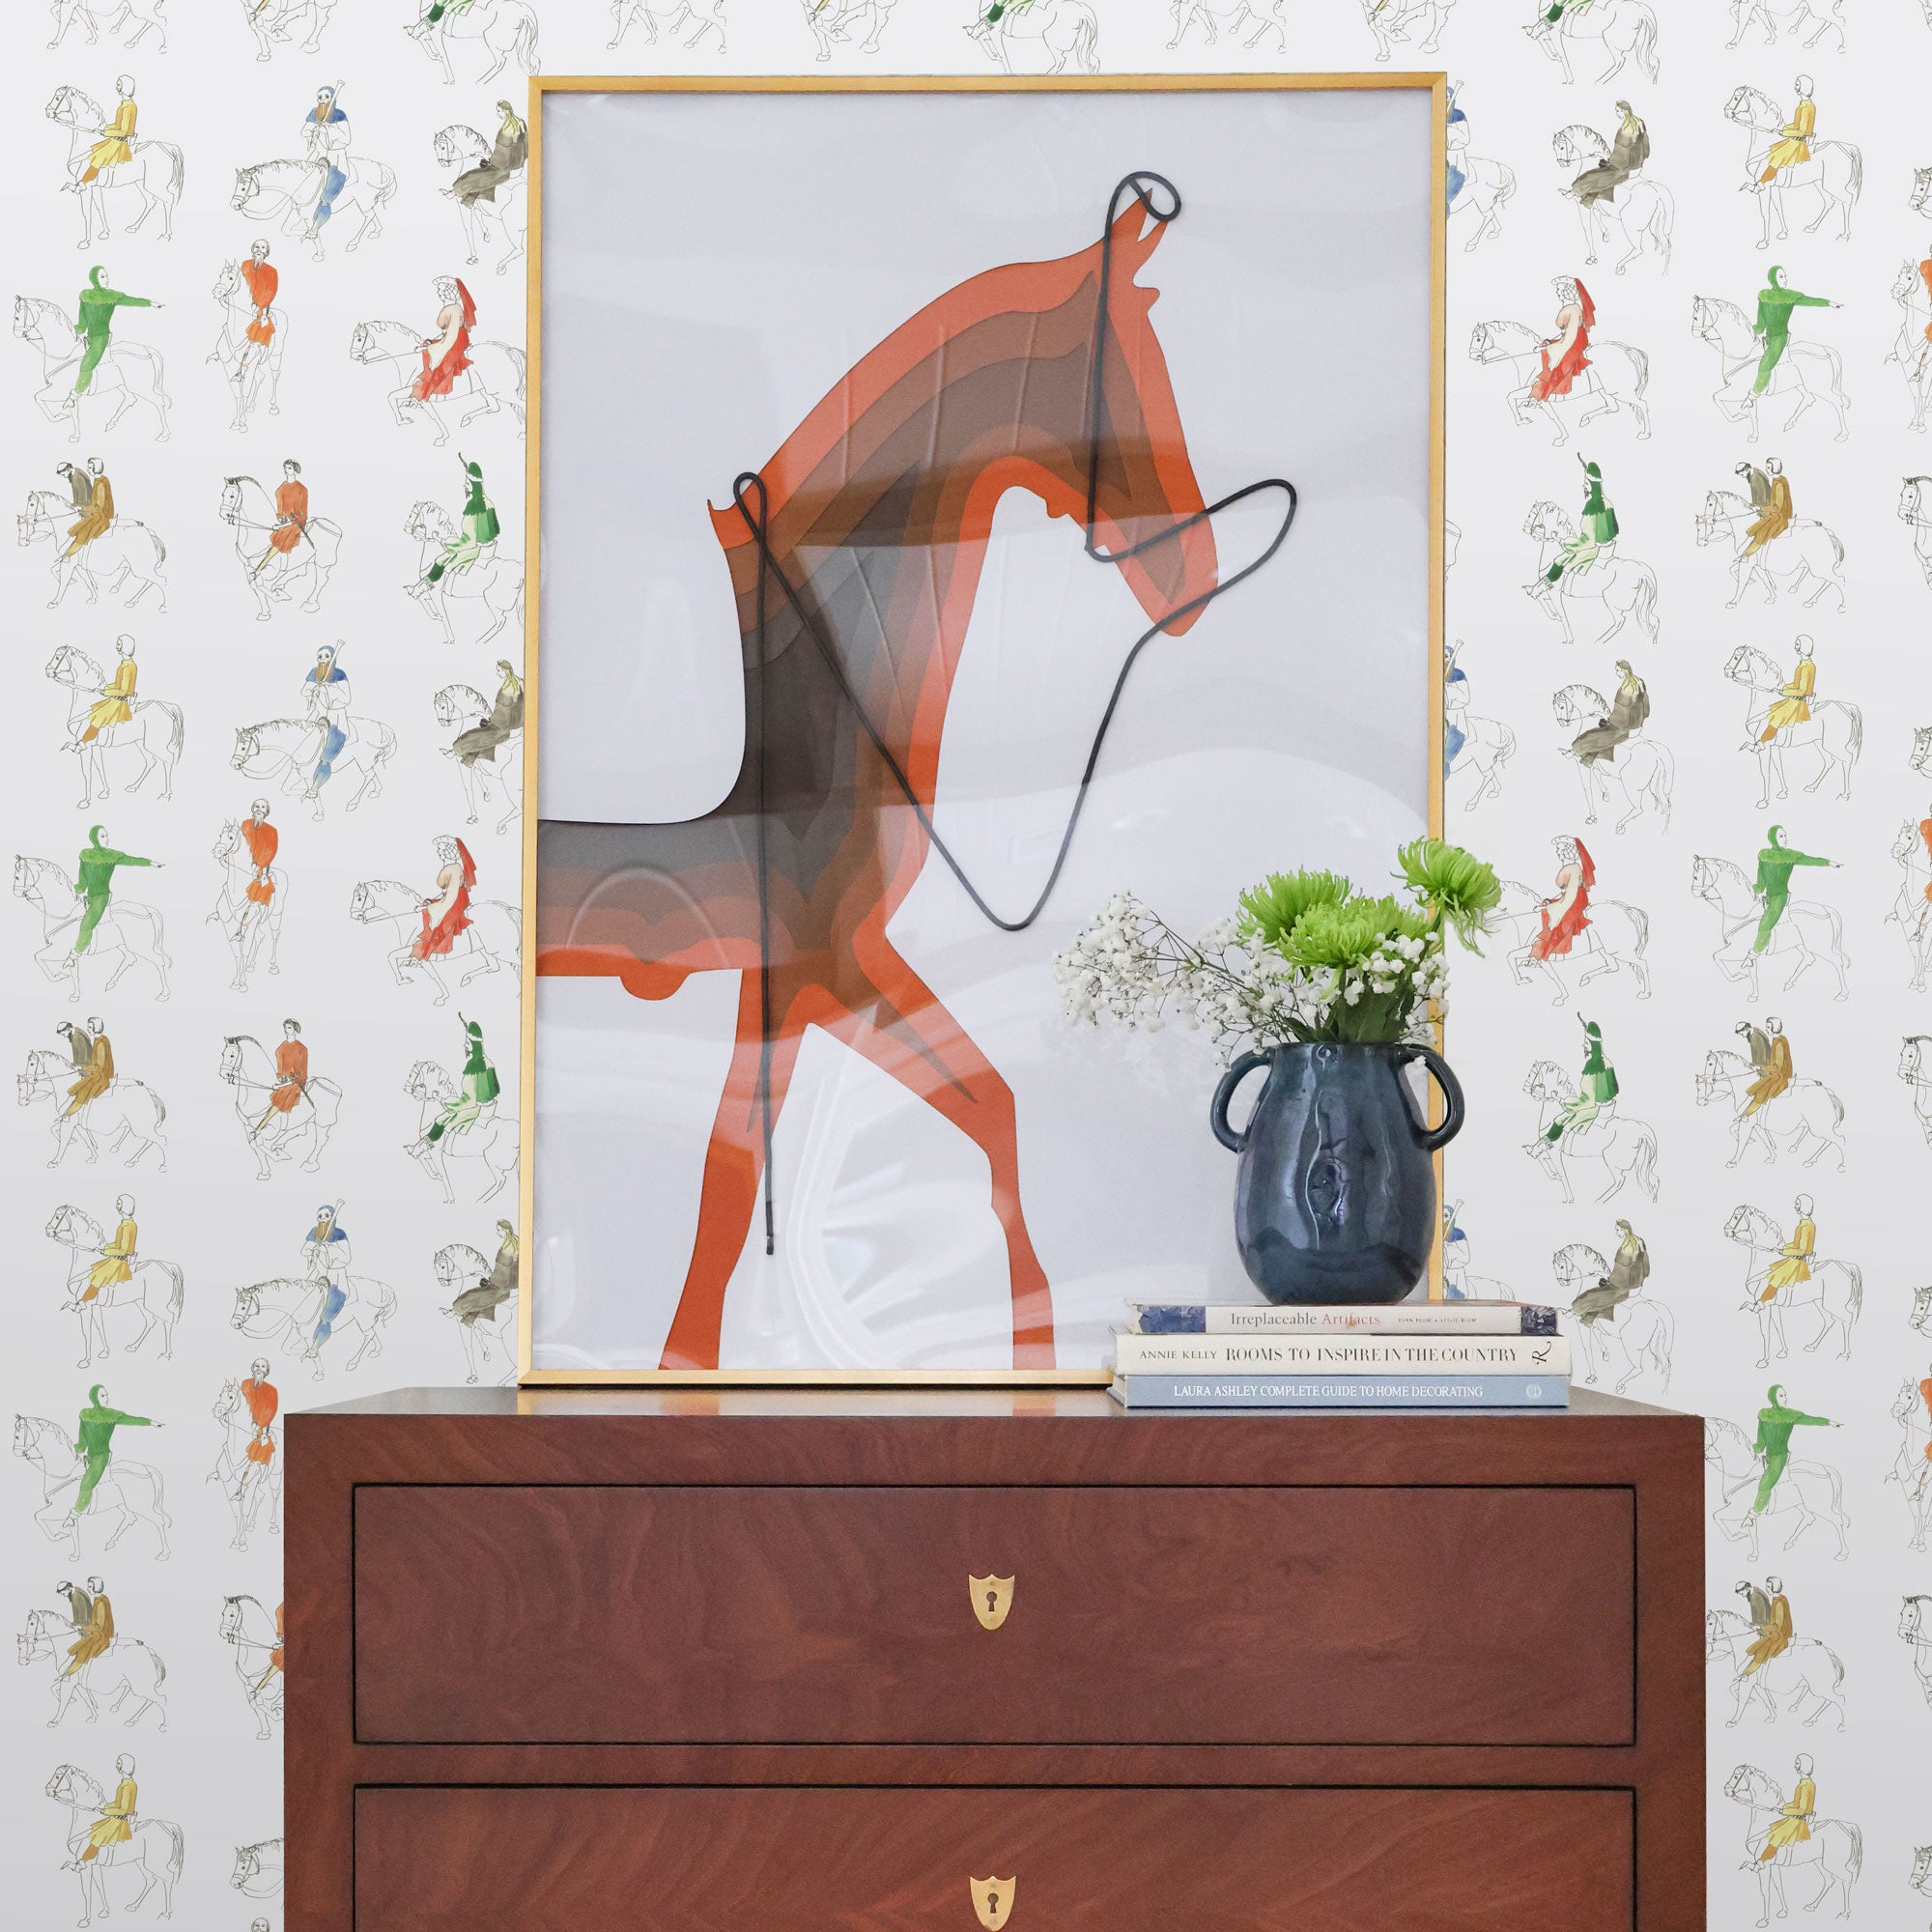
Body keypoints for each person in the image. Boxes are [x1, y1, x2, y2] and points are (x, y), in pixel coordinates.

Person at [414, 1014, 497, 1154]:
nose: (464, 1045)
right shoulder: (489, 1062)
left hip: (474, 1109)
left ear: (474, 1044)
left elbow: (468, 1101)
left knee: (442, 1119)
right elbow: (496, 1088)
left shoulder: (474, 1066)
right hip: (489, 1107)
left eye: (467, 1042)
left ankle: (421, 1149)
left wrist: (443, 1100)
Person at [72, 266, 158, 399]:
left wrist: (150, 303)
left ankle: (74, 395)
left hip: (102, 337)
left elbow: (132, 301)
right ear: (94, 279)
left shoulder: (112, 296)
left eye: (106, 276)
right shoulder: (85, 296)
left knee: (86, 364)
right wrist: (71, 329)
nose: (107, 279)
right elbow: (82, 325)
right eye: (103, 277)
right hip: (89, 338)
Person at [71, 1384, 155, 1520]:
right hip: (90, 1457)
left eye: (107, 1395)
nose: (107, 1399)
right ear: (94, 1398)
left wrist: (150, 1422)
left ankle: (74, 1515)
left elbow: (133, 1420)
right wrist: (71, 1448)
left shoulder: (112, 1415)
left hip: (102, 1456)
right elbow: (82, 1444)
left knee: (86, 1484)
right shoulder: (86, 1415)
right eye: (102, 1396)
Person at [1535, 1014, 1619, 1148]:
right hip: (1609, 1108)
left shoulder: (1592, 1066)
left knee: (1561, 1119)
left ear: (1592, 1045)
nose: (1583, 1045)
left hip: (1594, 1109)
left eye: (1586, 1043)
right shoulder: (1608, 1062)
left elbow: (1587, 1101)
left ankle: (1542, 1148)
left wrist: (1562, 1101)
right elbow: (1615, 1088)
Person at [73, 824, 157, 957]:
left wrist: (150, 862)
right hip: (89, 897)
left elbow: (132, 860)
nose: (107, 839)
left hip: (102, 897)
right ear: (94, 838)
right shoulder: (85, 855)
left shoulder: (112, 855)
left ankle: (74, 955)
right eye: (103, 836)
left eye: (107, 836)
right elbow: (82, 882)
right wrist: (77, 890)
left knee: (86, 924)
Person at [417, 454, 498, 588]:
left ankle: (424, 589)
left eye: (467, 483)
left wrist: (444, 541)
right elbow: (496, 529)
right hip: (489, 548)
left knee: (442, 560)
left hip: (474, 549)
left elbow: (468, 541)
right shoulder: (489, 503)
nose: (464, 485)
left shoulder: (474, 508)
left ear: (473, 485)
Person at [1752, 1384, 1835, 1513]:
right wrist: (1751, 1448)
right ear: (1773, 1398)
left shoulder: (1791, 1415)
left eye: (1785, 1395)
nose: (1785, 1398)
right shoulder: (1764, 1415)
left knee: (1765, 1485)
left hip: (1780, 1456)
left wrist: (1829, 1422)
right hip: (1767, 1457)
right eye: (1781, 1396)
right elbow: (1760, 1443)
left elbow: (1811, 1420)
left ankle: (1752, 1515)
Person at [1753, 269, 1834, 395]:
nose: (1785, 280)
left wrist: (1828, 303)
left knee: (1765, 365)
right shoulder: (1764, 295)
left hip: (1780, 337)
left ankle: (1753, 396)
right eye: (1781, 277)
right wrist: (1751, 329)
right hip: (1768, 338)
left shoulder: (1790, 296)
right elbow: (1760, 324)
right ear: (1773, 279)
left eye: (1785, 276)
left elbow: (1811, 301)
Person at [1753, 825, 1834, 952]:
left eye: (1785, 836)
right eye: (1781, 836)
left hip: (1780, 897)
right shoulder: (1764, 855)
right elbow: (1760, 885)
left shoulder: (1790, 856)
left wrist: (1828, 863)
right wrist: (1750, 889)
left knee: (1765, 925)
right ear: (1773, 838)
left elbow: (1811, 860)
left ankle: (1753, 956)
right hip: (1767, 897)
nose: (1785, 839)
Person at [1540, 455, 1618, 586]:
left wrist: (1563, 541)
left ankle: (1545, 587)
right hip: (1609, 548)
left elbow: (1587, 541)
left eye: (1586, 483)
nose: (1583, 486)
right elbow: (1615, 529)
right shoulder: (1608, 502)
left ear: (1593, 485)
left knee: (1561, 559)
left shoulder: (1593, 507)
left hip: (1593, 549)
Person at [1569, 1219, 1647, 1326]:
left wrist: (1606, 1277)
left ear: (1624, 1231)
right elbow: (1641, 1267)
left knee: (1590, 1295)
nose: (1616, 1233)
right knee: (1599, 1291)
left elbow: (1621, 1274)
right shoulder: (1638, 1242)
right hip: (1629, 1283)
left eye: (1618, 1230)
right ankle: (1588, 1319)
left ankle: (1574, 1312)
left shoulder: (1625, 1250)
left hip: (1620, 1288)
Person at [451, 99, 526, 208]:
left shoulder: (505, 131)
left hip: (501, 169)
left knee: (470, 176)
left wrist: (486, 157)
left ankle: (455, 193)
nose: (497, 113)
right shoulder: (520, 123)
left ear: (506, 112)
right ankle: (469, 201)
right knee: (481, 171)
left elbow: (502, 157)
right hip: (512, 165)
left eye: (499, 111)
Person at [1530, 276, 1595, 403]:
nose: (1558, 292)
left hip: (1574, 342)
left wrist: (1547, 348)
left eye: (1561, 289)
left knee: (1555, 357)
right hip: (1570, 338)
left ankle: (1548, 393)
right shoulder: (1571, 307)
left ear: (1568, 290)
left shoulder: (1573, 309)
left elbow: (1570, 338)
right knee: (1546, 344)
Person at [1571, 662, 1648, 766]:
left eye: (1618, 671)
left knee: (1591, 735)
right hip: (1633, 724)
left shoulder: (1626, 690)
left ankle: (1575, 752)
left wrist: (1607, 718)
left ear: (1625, 671)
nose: (1616, 673)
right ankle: (1588, 759)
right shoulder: (1639, 682)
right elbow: (1645, 705)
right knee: (1599, 732)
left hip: (1621, 727)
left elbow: (1622, 715)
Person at [413, 836, 476, 962]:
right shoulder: (452, 866)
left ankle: (430, 951)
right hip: (452, 897)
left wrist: (428, 907)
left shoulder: (453, 868)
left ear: (449, 850)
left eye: (441, 849)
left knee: (436, 915)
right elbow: (448, 892)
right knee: (427, 903)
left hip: (456, 901)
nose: (439, 851)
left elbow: (451, 898)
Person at [1573, 100, 1648, 207]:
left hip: (1622, 168)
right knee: (1601, 170)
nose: (1616, 114)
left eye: (1618, 111)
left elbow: (1621, 157)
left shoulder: (1625, 131)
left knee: (1590, 176)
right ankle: (1588, 200)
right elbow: (1645, 146)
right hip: (1637, 165)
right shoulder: (1640, 123)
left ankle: (1581, 196)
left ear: (1625, 111)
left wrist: (1604, 156)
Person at [413, 276, 476, 402]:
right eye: (439, 290)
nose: (439, 292)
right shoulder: (452, 307)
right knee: (427, 344)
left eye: (442, 290)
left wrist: (430, 348)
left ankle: (428, 392)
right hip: (452, 337)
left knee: (435, 356)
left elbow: (451, 337)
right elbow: (448, 333)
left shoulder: (454, 309)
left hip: (456, 341)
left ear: (450, 291)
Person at [1532, 835, 1594, 961]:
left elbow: (1570, 896)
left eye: (1560, 849)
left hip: (1575, 900)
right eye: (1558, 849)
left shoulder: (1572, 868)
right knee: (1546, 903)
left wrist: (1549, 907)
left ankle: (1548, 951)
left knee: (1554, 916)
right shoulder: (1573, 866)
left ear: (1569, 849)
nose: (1558, 852)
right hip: (1574, 897)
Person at [452, 660, 523, 767]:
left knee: (469, 736)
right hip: (508, 724)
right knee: (480, 731)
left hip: (501, 729)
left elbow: (501, 718)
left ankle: (457, 753)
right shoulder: (519, 682)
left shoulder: (506, 691)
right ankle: (469, 760)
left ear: (505, 671)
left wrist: (487, 718)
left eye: (499, 671)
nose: (497, 673)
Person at [73, 1754, 138, 1866]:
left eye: (119, 1763)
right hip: (115, 1818)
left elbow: (123, 1810)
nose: (117, 1765)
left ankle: (83, 1862)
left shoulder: (129, 1785)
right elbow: (117, 1804)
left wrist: (105, 1811)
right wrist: (104, 1806)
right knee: (95, 1829)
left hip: (121, 1821)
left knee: (98, 1835)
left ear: (125, 1766)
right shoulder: (124, 1783)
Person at [302, 1206, 352, 1351]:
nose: (323, 1219)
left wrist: (328, 1248)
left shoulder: (339, 1234)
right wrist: (315, 1248)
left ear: (332, 1217)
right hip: (317, 1275)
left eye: (326, 1215)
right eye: (320, 1216)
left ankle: (315, 1346)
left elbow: (346, 1258)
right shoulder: (315, 1232)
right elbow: (304, 1250)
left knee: (327, 1315)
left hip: (336, 1277)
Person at [303, 85, 351, 235]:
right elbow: (304, 131)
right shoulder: (314, 113)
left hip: (336, 158)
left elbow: (346, 139)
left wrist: (328, 129)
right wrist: (315, 129)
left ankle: (315, 227)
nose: (323, 100)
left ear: (332, 99)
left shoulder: (340, 115)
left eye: (326, 97)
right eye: (320, 97)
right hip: (318, 156)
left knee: (326, 197)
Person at [452, 1220, 519, 1327]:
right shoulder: (513, 1242)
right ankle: (469, 1318)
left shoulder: (508, 1249)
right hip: (502, 1282)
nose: (497, 1233)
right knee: (478, 1293)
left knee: (471, 1295)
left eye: (499, 1230)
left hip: (501, 1288)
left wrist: (491, 1280)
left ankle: (456, 1311)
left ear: (506, 1231)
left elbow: (506, 1274)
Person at [303, 643, 350, 795]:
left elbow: (346, 698)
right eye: (320, 657)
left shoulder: (340, 674)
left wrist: (327, 689)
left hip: (336, 718)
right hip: (318, 715)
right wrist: (314, 689)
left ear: (332, 658)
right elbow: (304, 691)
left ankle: (315, 787)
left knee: (327, 755)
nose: (323, 660)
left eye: (326, 656)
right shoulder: (314, 673)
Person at [1756, 1754, 1817, 1864]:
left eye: (1797, 1763)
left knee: (1777, 1836)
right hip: (1794, 1818)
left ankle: (1761, 1863)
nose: (1795, 1766)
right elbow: (1795, 1803)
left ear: (1803, 1765)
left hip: (1799, 1820)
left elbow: (1801, 1810)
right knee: (1774, 1829)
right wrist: (1782, 1807)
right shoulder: (1803, 1783)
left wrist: (1783, 1811)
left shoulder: (1807, 1785)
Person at [78, 635, 138, 745]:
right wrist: (104, 688)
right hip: (115, 699)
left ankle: (83, 743)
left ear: (125, 647)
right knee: (96, 710)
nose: (116, 647)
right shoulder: (123, 665)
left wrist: (104, 692)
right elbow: (117, 685)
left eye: (119, 644)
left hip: (120, 702)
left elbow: (123, 691)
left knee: (98, 717)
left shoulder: (128, 666)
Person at [77, 76, 136, 185]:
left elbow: (123, 131)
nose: (117, 87)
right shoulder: (124, 105)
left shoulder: (129, 107)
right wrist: (104, 128)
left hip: (120, 142)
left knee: (98, 157)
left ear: (124, 87)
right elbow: (117, 125)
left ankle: (83, 184)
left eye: (119, 85)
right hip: (115, 139)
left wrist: (105, 133)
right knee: (95, 150)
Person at [1756, 78, 1816, 186]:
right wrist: (1782, 128)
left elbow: (1801, 131)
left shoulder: (1807, 107)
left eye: (1797, 85)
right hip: (1794, 139)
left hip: (1799, 142)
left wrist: (1784, 132)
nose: (1795, 87)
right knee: (1774, 150)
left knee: (1777, 157)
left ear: (1803, 87)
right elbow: (1796, 125)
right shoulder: (1803, 105)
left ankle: (1761, 184)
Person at [1756, 637, 1814, 744]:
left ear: (1803, 647)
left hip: (1799, 702)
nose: (1795, 647)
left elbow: (1801, 691)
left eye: (1797, 644)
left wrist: (1783, 692)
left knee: (1776, 718)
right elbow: (1796, 684)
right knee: (1774, 710)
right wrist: (1782, 687)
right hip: (1793, 699)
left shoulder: (1807, 666)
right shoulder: (1802, 665)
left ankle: (1761, 744)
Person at [83, 1196, 137, 1305]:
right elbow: (117, 1244)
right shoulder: (124, 1224)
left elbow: (123, 1250)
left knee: (98, 1276)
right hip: (115, 1258)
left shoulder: (128, 1226)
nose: (117, 1206)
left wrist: (105, 1252)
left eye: (119, 1204)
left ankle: (83, 1303)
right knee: (96, 1268)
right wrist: (104, 1247)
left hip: (120, 1261)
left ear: (125, 1206)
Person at [1761, 1196, 1815, 1302]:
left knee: (1777, 1276)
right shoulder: (1803, 1224)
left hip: (1799, 1262)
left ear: (1803, 1206)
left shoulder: (1807, 1226)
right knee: (1774, 1268)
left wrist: (1783, 1252)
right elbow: (1796, 1244)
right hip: (1794, 1259)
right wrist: (1782, 1248)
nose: (1795, 1206)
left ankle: (1761, 1303)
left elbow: (1801, 1251)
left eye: (1797, 1204)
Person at [257, 458, 308, 571]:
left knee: (283, 532)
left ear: (295, 471)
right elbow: (280, 512)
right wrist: (281, 518)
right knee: (278, 532)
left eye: (289, 468)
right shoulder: (280, 489)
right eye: (285, 468)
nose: (286, 470)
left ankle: (260, 567)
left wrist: (284, 525)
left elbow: (304, 515)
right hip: (286, 522)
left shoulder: (302, 489)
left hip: (298, 522)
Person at [257, 1019, 308, 1129]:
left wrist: (283, 1084)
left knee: (283, 1093)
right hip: (286, 1081)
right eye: (285, 1027)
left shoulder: (302, 1049)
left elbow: (303, 1075)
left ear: (295, 1030)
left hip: (297, 1082)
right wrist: (280, 1078)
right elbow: (280, 1071)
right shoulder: (281, 1048)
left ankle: (260, 1127)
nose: (286, 1029)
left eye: (289, 1027)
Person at [60, 1576, 113, 1677]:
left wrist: (82, 1627)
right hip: (97, 1633)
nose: (87, 1589)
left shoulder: (101, 1603)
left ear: (96, 1587)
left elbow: (99, 1627)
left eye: (90, 1587)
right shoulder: (99, 1599)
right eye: (88, 1586)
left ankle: (67, 1676)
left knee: (82, 1652)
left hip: (101, 1636)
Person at [1740, 1017, 1793, 1116]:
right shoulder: (1778, 1039)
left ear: (1775, 1027)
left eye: (1768, 1027)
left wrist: (1761, 1068)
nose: (1766, 1029)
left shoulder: (1779, 1044)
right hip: (1775, 1073)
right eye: (1766, 1027)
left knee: (1760, 1093)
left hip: (1779, 1076)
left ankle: (1745, 1117)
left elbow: (1777, 1068)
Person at [1742, 457, 1794, 555]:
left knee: (1760, 534)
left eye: (1769, 468)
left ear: (1775, 468)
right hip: (1777, 514)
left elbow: (1777, 508)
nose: (1766, 470)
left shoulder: (1778, 484)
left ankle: (1745, 556)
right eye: (1767, 467)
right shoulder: (1779, 479)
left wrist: (1760, 508)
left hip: (1779, 517)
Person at [63, 457, 114, 556]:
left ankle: (66, 557)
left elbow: (99, 508)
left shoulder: (100, 483)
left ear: (96, 468)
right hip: (96, 513)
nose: (87, 469)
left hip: (100, 516)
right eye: (88, 467)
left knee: (82, 534)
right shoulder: (98, 479)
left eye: (90, 468)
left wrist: (82, 508)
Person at [64, 1016, 114, 1116]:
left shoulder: (101, 1043)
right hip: (97, 1074)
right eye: (88, 1027)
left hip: (101, 1076)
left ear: (96, 1028)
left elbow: (99, 1067)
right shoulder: (98, 1039)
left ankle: (66, 1116)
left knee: (82, 1093)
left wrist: (82, 1068)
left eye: (90, 1027)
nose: (88, 1029)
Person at [1744, 1577, 1794, 1675]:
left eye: (1768, 1587)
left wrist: (1760, 1627)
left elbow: (1777, 1627)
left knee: (1760, 1652)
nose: (1766, 1589)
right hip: (1777, 1634)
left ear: (1775, 1587)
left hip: (1780, 1636)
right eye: (1766, 1586)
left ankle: (1745, 1676)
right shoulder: (1778, 1598)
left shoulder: (1779, 1603)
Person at [241, 798, 277, 908]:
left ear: (266, 811)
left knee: (262, 887)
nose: (259, 809)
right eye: (256, 806)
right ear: (252, 809)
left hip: (261, 867)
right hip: (242, 862)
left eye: (263, 807)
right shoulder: (245, 824)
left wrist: (259, 865)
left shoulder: (271, 830)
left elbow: (270, 851)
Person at [242, 1359, 277, 1468]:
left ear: (266, 1371)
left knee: (261, 1450)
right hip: (243, 1422)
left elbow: (270, 1410)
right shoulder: (245, 1384)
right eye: (257, 1366)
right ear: (253, 1368)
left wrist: (259, 1424)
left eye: (263, 1367)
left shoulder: (272, 1390)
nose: (259, 1369)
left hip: (261, 1427)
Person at [242, 240, 277, 346]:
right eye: (257, 247)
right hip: (243, 301)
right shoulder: (245, 265)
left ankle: (256, 347)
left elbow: (271, 291)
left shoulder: (271, 271)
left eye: (263, 248)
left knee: (263, 325)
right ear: (253, 249)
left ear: (266, 252)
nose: (259, 250)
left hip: (261, 307)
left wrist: (259, 306)